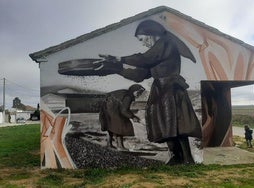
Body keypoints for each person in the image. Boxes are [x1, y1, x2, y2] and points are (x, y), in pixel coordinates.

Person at [58, 20, 202, 164]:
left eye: (142, 39)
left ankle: (188, 159)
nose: (143, 43)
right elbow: (138, 75)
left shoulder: (166, 43)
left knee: (176, 124)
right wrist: (116, 68)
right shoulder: (154, 56)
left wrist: (121, 59)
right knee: (164, 124)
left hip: (172, 89)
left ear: (150, 34)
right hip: (160, 91)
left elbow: (146, 58)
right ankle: (176, 157)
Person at [99, 84, 145, 150]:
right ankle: (120, 146)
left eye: (141, 93)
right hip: (112, 109)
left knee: (110, 126)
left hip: (105, 108)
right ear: (133, 90)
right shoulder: (128, 97)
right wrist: (133, 117)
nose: (139, 94)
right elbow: (124, 110)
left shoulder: (125, 93)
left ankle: (109, 144)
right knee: (121, 125)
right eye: (139, 92)